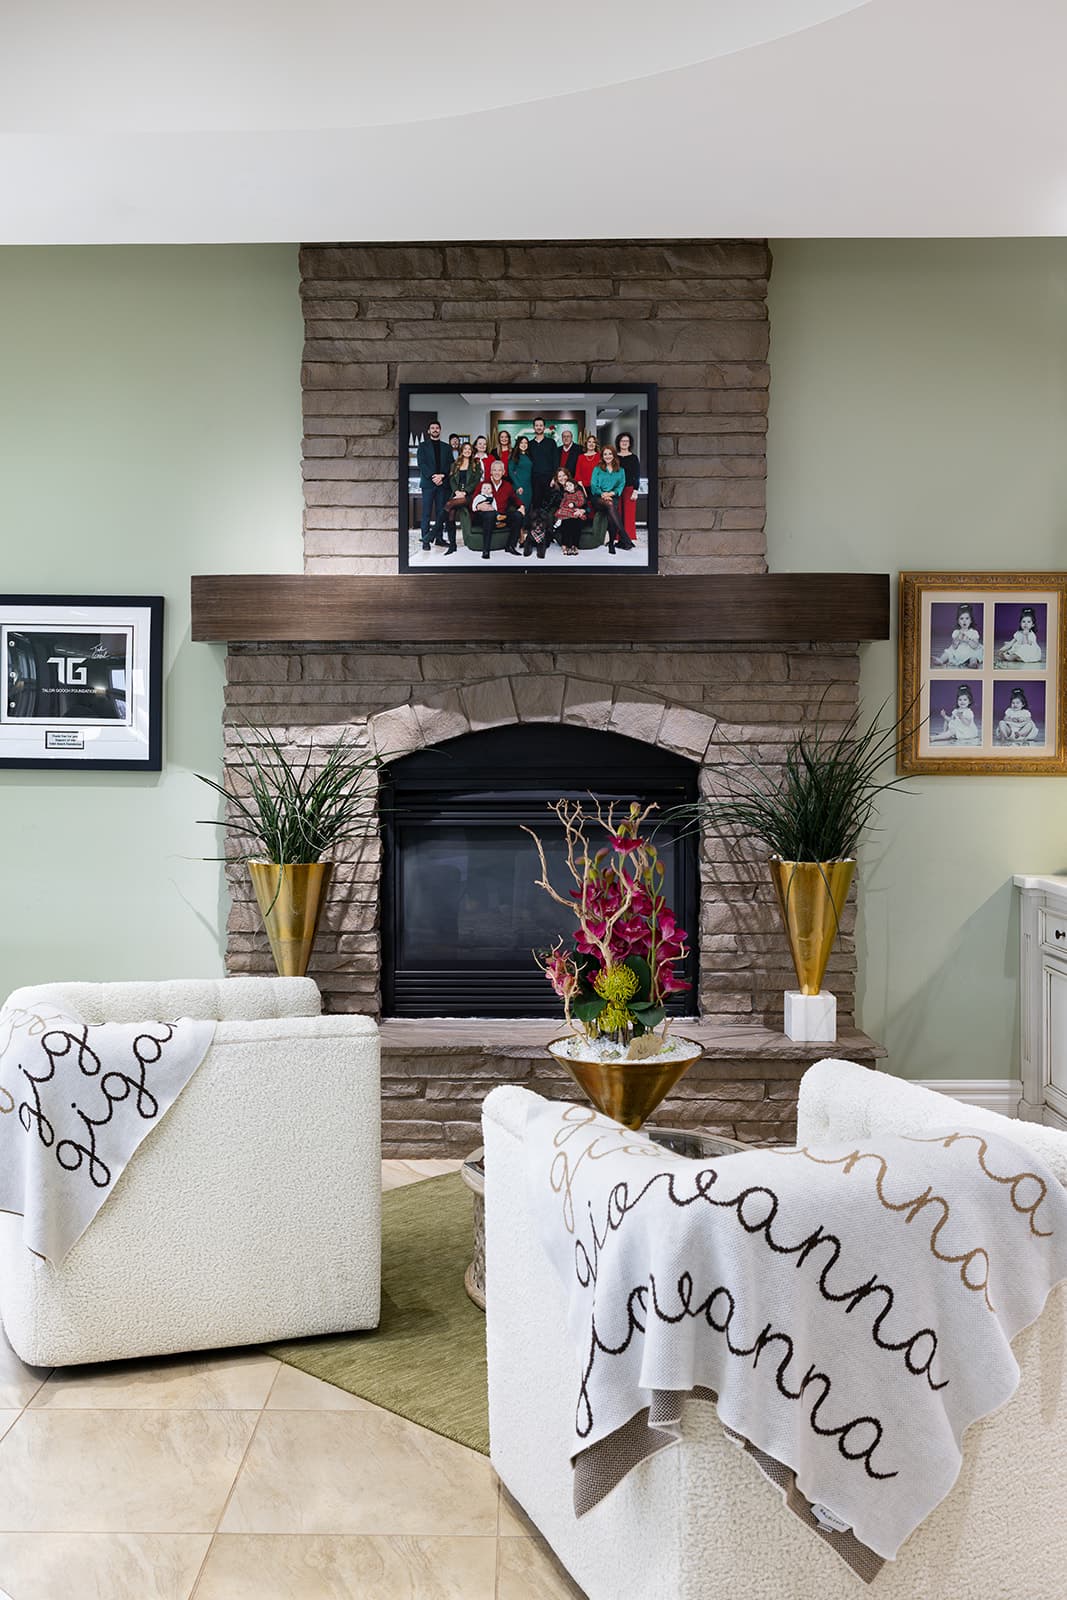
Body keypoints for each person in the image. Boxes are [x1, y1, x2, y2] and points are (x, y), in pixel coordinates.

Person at [472, 458, 525, 560]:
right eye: (495, 470)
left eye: (499, 470)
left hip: (501, 515)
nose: (497, 472)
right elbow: (473, 499)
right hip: (484, 515)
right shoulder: (484, 484)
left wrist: (521, 506)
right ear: (491, 471)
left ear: (503, 472)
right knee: (490, 514)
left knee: (518, 516)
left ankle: (510, 546)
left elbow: (515, 499)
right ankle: (486, 549)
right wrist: (479, 506)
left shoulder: (507, 486)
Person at [415, 420, 451, 550]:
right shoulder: (422, 446)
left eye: (437, 428)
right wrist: (433, 476)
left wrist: (441, 476)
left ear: (440, 430)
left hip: (442, 484)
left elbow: (450, 465)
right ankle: (425, 540)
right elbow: (422, 464)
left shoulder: (446, 447)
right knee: (426, 513)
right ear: (429, 431)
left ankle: (439, 538)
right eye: (432, 428)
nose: (435, 430)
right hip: (428, 484)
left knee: (440, 512)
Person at [590, 444, 632, 553]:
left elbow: (621, 485)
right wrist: (603, 494)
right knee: (610, 505)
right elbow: (593, 485)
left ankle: (612, 544)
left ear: (613, 455)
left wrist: (611, 493)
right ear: (602, 456)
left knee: (611, 509)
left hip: (613, 497)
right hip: (598, 498)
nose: (607, 456)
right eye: (605, 454)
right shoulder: (597, 469)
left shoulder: (620, 470)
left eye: (610, 454)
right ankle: (624, 537)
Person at [441, 441, 481, 553]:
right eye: (465, 449)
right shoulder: (455, 464)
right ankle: (452, 545)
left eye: (469, 449)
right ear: (462, 451)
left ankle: (433, 532)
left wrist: (465, 492)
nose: (467, 451)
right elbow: (452, 479)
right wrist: (456, 491)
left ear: (472, 451)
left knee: (448, 505)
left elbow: (476, 481)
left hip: (469, 496)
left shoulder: (476, 464)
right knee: (451, 513)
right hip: (457, 494)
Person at [545, 467, 590, 557]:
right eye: (559, 476)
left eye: (564, 475)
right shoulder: (556, 490)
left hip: (577, 513)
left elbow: (586, 504)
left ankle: (574, 546)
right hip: (565, 514)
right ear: (556, 479)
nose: (562, 478)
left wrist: (582, 510)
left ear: (568, 475)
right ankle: (565, 545)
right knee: (567, 522)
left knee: (575, 521)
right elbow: (550, 504)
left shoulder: (576, 487)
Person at [527, 417, 559, 510]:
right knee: (536, 503)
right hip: (534, 479)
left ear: (544, 427)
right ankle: (536, 524)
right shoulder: (530, 444)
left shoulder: (551, 442)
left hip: (548, 478)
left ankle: (548, 524)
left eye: (541, 425)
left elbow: (555, 461)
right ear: (534, 427)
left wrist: (554, 478)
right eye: (536, 425)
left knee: (548, 504)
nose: (539, 427)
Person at [936, 604, 983, 668]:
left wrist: (968, 640)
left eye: (967, 618)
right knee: (948, 652)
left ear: (971, 620)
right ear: (958, 621)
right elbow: (954, 646)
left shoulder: (974, 632)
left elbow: (975, 646)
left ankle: (973, 663)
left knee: (974, 656)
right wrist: (957, 639)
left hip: (970, 651)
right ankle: (941, 660)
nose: (964, 621)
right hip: (959, 652)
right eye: (961, 618)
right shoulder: (956, 632)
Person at [616, 431, 641, 545]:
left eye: (626, 441)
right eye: (622, 441)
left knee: (629, 514)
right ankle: (617, 537)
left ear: (630, 443)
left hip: (629, 488)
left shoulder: (634, 458)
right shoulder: (615, 457)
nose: (624, 443)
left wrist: (636, 490)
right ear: (619, 443)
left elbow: (637, 474)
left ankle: (629, 538)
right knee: (617, 513)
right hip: (616, 489)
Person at [508, 433, 534, 516]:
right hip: (519, 485)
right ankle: (519, 528)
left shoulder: (528, 455)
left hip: (528, 486)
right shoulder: (515, 456)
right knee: (521, 506)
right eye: (521, 443)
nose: (524, 445)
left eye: (526, 443)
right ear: (518, 444)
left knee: (528, 506)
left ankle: (525, 528)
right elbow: (511, 471)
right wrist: (518, 485)